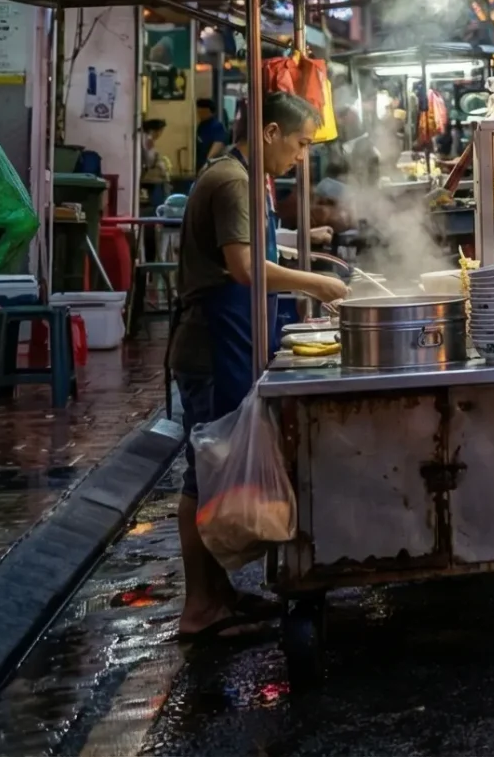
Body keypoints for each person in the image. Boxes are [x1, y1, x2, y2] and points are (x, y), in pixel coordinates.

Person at [172, 91, 349, 641]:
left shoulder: (243, 176)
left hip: (235, 342)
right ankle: (199, 607)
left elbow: (254, 246)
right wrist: (317, 282)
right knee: (205, 474)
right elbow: (245, 267)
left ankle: (219, 595)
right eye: (298, 144)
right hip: (212, 348)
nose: (301, 158)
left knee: (217, 470)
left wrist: (304, 243)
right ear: (270, 132)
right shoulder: (232, 180)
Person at [139, 118, 170, 211]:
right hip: (148, 176)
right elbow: (150, 160)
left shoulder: (143, 137)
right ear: (154, 131)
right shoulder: (149, 140)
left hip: (144, 173)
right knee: (161, 192)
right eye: (161, 131)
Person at [194, 98, 230, 168]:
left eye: (202, 112)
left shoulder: (217, 126)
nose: (199, 114)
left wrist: (207, 163)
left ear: (208, 111)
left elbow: (218, 145)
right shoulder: (201, 125)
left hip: (209, 165)